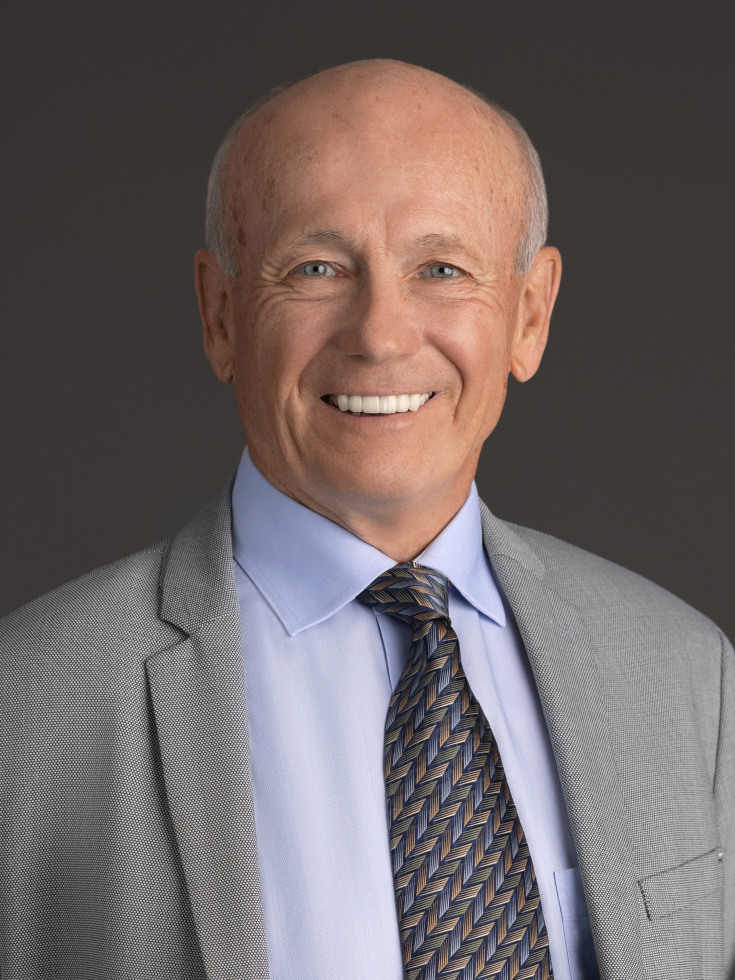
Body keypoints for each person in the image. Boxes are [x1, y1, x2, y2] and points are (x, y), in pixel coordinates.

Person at [0, 59, 732, 980]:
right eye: (316, 268)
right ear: (221, 315)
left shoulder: (686, 674)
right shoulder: (28, 706)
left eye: (441, 269)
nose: (380, 334)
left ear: (529, 315)